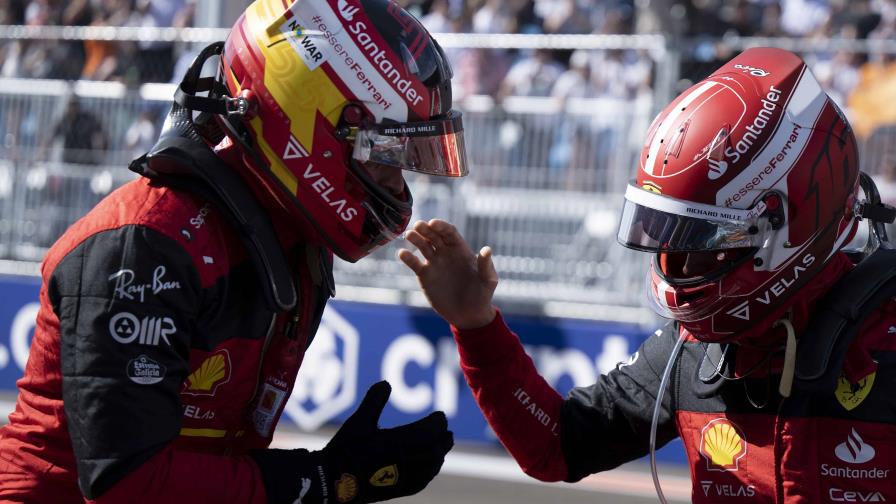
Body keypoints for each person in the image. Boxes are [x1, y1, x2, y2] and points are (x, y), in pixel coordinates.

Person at [0, 0, 468, 502]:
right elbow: (125, 483)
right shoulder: (145, 244)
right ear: (306, 117)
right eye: (385, 154)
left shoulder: (296, 245)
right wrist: (323, 482)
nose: (397, 185)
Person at [399, 47, 896, 502]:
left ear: (787, 225)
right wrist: (477, 324)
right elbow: (557, 445)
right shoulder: (693, 351)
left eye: (700, 240)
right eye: (669, 236)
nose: (677, 265)